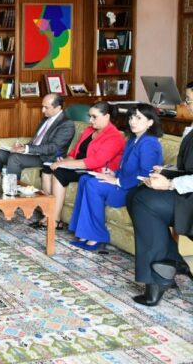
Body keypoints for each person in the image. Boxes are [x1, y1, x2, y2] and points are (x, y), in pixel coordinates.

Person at [126, 81, 193, 306]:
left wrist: (170, 184)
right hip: (187, 192)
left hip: (189, 196)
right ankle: (171, 261)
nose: (186, 105)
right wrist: (165, 171)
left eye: (190, 101)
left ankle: (158, 278)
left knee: (144, 201)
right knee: (135, 195)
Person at [68, 103, 163, 251]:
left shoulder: (149, 143)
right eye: (131, 117)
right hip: (124, 182)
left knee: (93, 185)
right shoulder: (133, 139)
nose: (132, 121)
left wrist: (117, 180)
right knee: (85, 179)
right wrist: (114, 173)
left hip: (134, 189)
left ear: (150, 122)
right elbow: (126, 168)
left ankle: (96, 236)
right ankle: (83, 233)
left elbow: (146, 173)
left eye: (138, 118)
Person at [38, 101, 125, 230]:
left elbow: (95, 162)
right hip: (78, 165)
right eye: (90, 116)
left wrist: (65, 164)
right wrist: (64, 160)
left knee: (59, 172)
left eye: (94, 117)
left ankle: (55, 220)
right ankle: (47, 214)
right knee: (46, 169)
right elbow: (74, 153)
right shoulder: (89, 131)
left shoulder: (114, 137)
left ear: (107, 116)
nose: (90, 120)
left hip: (94, 170)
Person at [0, 93, 75, 179]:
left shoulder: (66, 124)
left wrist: (26, 148)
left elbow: (53, 147)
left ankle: (11, 186)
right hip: (32, 153)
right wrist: (22, 147)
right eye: (42, 106)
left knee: (15, 158)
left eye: (46, 107)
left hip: (46, 158)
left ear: (58, 107)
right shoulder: (45, 119)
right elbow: (37, 140)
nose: (43, 110)